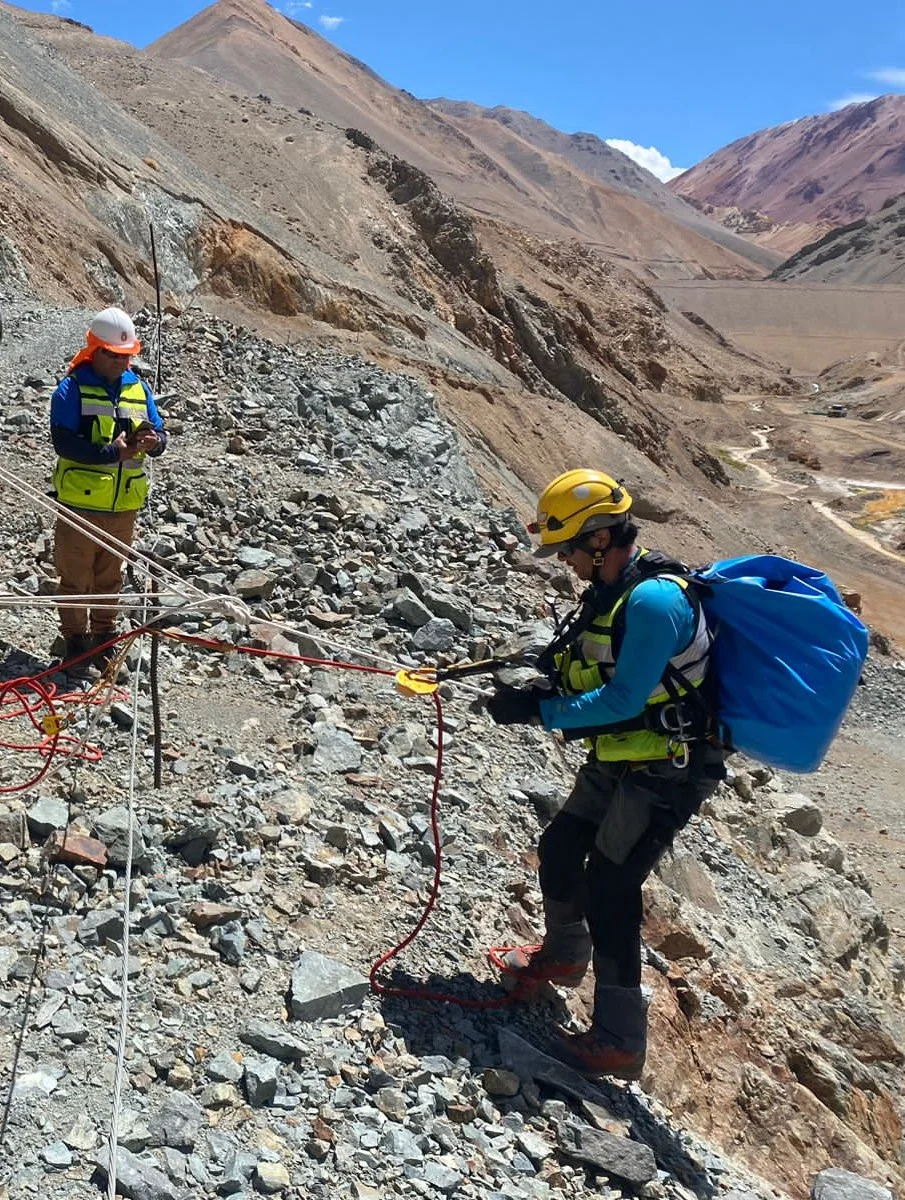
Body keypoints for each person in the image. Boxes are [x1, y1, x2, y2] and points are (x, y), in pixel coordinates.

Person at [486, 469, 725, 1080]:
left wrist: (540, 712)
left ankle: (620, 1039)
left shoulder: (653, 602)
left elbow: (623, 698)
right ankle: (564, 959)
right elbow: (593, 672)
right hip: (623, 754)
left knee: (613, 887)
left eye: (567, 547)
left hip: (667, 767)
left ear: (598, 540)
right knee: (562, 847)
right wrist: (537, 685)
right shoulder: (612, 591)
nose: (563, 561)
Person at [50, 307, 167, 672]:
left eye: (126, 356)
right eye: (114, 355)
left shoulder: (138, 388)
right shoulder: (71, 389)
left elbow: (161, 433)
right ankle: (75, 644)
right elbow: (64, 443)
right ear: (96, 350)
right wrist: (112, 453)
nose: (121, 362)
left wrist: (154, 442)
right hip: (80, 505)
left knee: (109, 578)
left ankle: (103, 640)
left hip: (123, 506)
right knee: (75, 578)